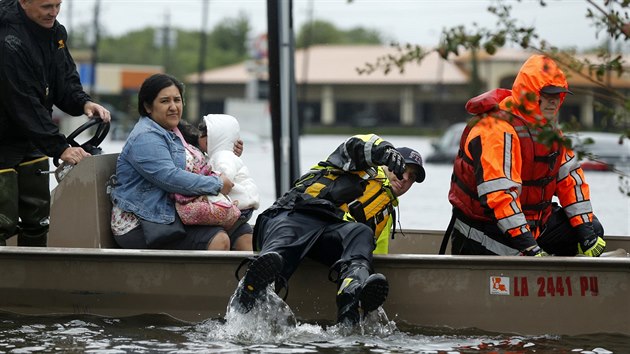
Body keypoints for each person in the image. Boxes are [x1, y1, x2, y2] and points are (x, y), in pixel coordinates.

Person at [228, 134, 426, 326]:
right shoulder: (358, 165)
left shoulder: (385, 211)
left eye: (412, 177)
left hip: (326, 235)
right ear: (387, 164)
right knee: (286, 242)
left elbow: (370, 248)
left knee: (361, 233)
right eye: (402, 170)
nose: (405, 179)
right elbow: (355, 145)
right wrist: (383, 150)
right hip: (293, 214)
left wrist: (370, 275)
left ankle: (352, 292)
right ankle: (254, 287)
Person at [444, 54, 606, 257]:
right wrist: (529, 246)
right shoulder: (495, 130)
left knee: (592, 228)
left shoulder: (551, 132)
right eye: (548, 95)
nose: (554, 102)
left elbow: (572, 184)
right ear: (529, 93)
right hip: (485, 227)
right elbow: (499, 197)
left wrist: (586, 235)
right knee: (515, 252)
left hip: (534, 223)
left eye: (559, 95)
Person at [0, 0, 112, 247]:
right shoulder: (8, 42)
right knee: (3, 221)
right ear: (24, 2)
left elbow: (65, 79)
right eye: (46, 6)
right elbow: (24, 102)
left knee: (38, 221)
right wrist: (60, 147)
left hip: (30, 139)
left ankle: (32, 283)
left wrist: (83, 103)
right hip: (4, 140)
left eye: (58, 5)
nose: (53, 12)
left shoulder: (55, 33)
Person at [109, 73, 251, 251]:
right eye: (165, 101)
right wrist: (217, 183)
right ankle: (210, 280)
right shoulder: (145, 137)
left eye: (177, 100)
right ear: (147, 106)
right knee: (218, 239)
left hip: (178, 212)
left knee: (243, 233)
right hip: (144, 222)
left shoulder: (174, 130)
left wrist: (228, 149)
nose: (173, 107)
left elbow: (199, 145)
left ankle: (249, 280)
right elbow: (170, 178)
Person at [198, 114, 260, 249]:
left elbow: (226, 178)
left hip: (239, 207)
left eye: (201, 134)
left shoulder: (223, 156)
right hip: (242, 207)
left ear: (211, 139)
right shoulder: (218, 155)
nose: (198, 137)